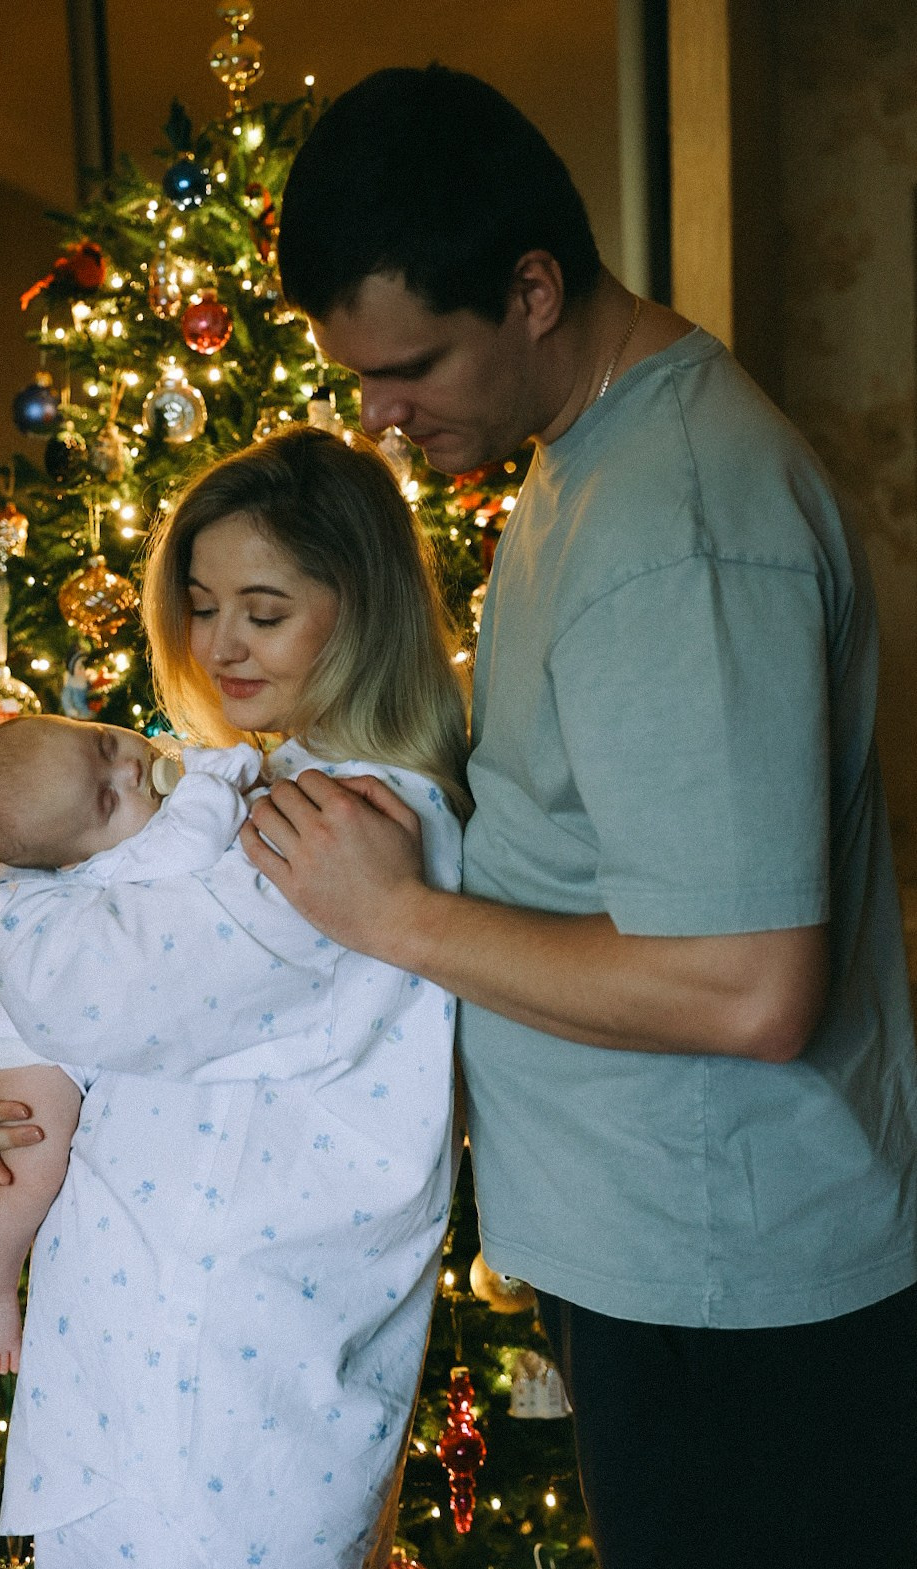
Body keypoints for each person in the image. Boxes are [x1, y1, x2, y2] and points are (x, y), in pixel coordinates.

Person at [228, 65, 917, 1569]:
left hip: (732, 1300)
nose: (378, 415)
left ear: (532, 289)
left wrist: (395, 915)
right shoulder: (580, 461)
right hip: (677, 1269)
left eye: (407, 366)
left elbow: (748, 987)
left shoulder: (675, 527)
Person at [0, 424, 469, 1569]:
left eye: (264, 611)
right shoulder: (270, 787)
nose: (222, 645)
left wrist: (16, 919)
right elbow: (118, 1018)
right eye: (201, 604)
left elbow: (107, 998)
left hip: (227, 1365)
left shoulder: (348, 822)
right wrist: (6, 1081)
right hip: (158, 1341)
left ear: (361, 610)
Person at [0, 713, 259, 1373]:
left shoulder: (126, 811)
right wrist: (214, 776)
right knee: (28, 1178)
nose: (130, 769)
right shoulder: (136, 852)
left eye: (105, 743)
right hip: (35, 1048)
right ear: (76, 856)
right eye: (108, 798)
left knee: (19, 1172)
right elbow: (195, 841)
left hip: (50, 1026)